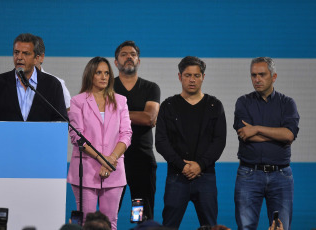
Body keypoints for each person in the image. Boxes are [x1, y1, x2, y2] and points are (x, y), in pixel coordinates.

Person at [155, 56, 227, 228]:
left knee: (210, 226)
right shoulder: (168, 105)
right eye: (187, 75)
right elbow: (161, 141)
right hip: (177, 177)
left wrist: (200, 165)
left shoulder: (214, 105)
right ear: (179, 77)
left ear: (203, 77)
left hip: (206, 176)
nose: (192, 80)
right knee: (169, 226)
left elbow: (219, 141)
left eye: (196, 75)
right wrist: (182, 165)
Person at [233, 57, 300, 230]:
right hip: (249, 174)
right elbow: (245, 135)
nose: (257, 79)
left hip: (281, 176)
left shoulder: (287, 103)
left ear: (274, 76)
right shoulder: (243, 102)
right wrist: (276, 134)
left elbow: (288, 135)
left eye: (262, 75)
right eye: (253, 75)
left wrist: (256, 129)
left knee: (281, 228)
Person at [67, 57, 132, 230]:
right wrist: (104, 160)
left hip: (113, 169)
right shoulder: (77, 101)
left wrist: (111, 159)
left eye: (107, 73)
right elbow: (76, 136)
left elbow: (126, 134)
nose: (104, 77)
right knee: (85, 223)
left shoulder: (121, 101)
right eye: (98, 73)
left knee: (110, 222)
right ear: (90, 75)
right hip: (86, 170)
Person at [0, 33, 68, 136]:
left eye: (25, 53)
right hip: (7, 145)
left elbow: (61, 120)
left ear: (36, 58)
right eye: (16, 52)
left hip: (40, 146)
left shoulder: (52, 84)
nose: (19, 57)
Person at [113, 41, 160, 220]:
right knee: (110, 212)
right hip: (112, 160)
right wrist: (135, 115)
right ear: (116, 63)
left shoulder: (150, 88)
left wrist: (116, 112)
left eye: (133, 54)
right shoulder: (107, 87)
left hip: (141, 162)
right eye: (124, 54)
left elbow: (149, 118)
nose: (129, 57)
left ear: (138, 61)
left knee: (140, 215)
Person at [35, 36, 71, 110]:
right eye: (17, 52)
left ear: (41, 57)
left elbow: (68, 112)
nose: (21, 58)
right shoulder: (6, 82)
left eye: (27, 54)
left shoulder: (57, 84)